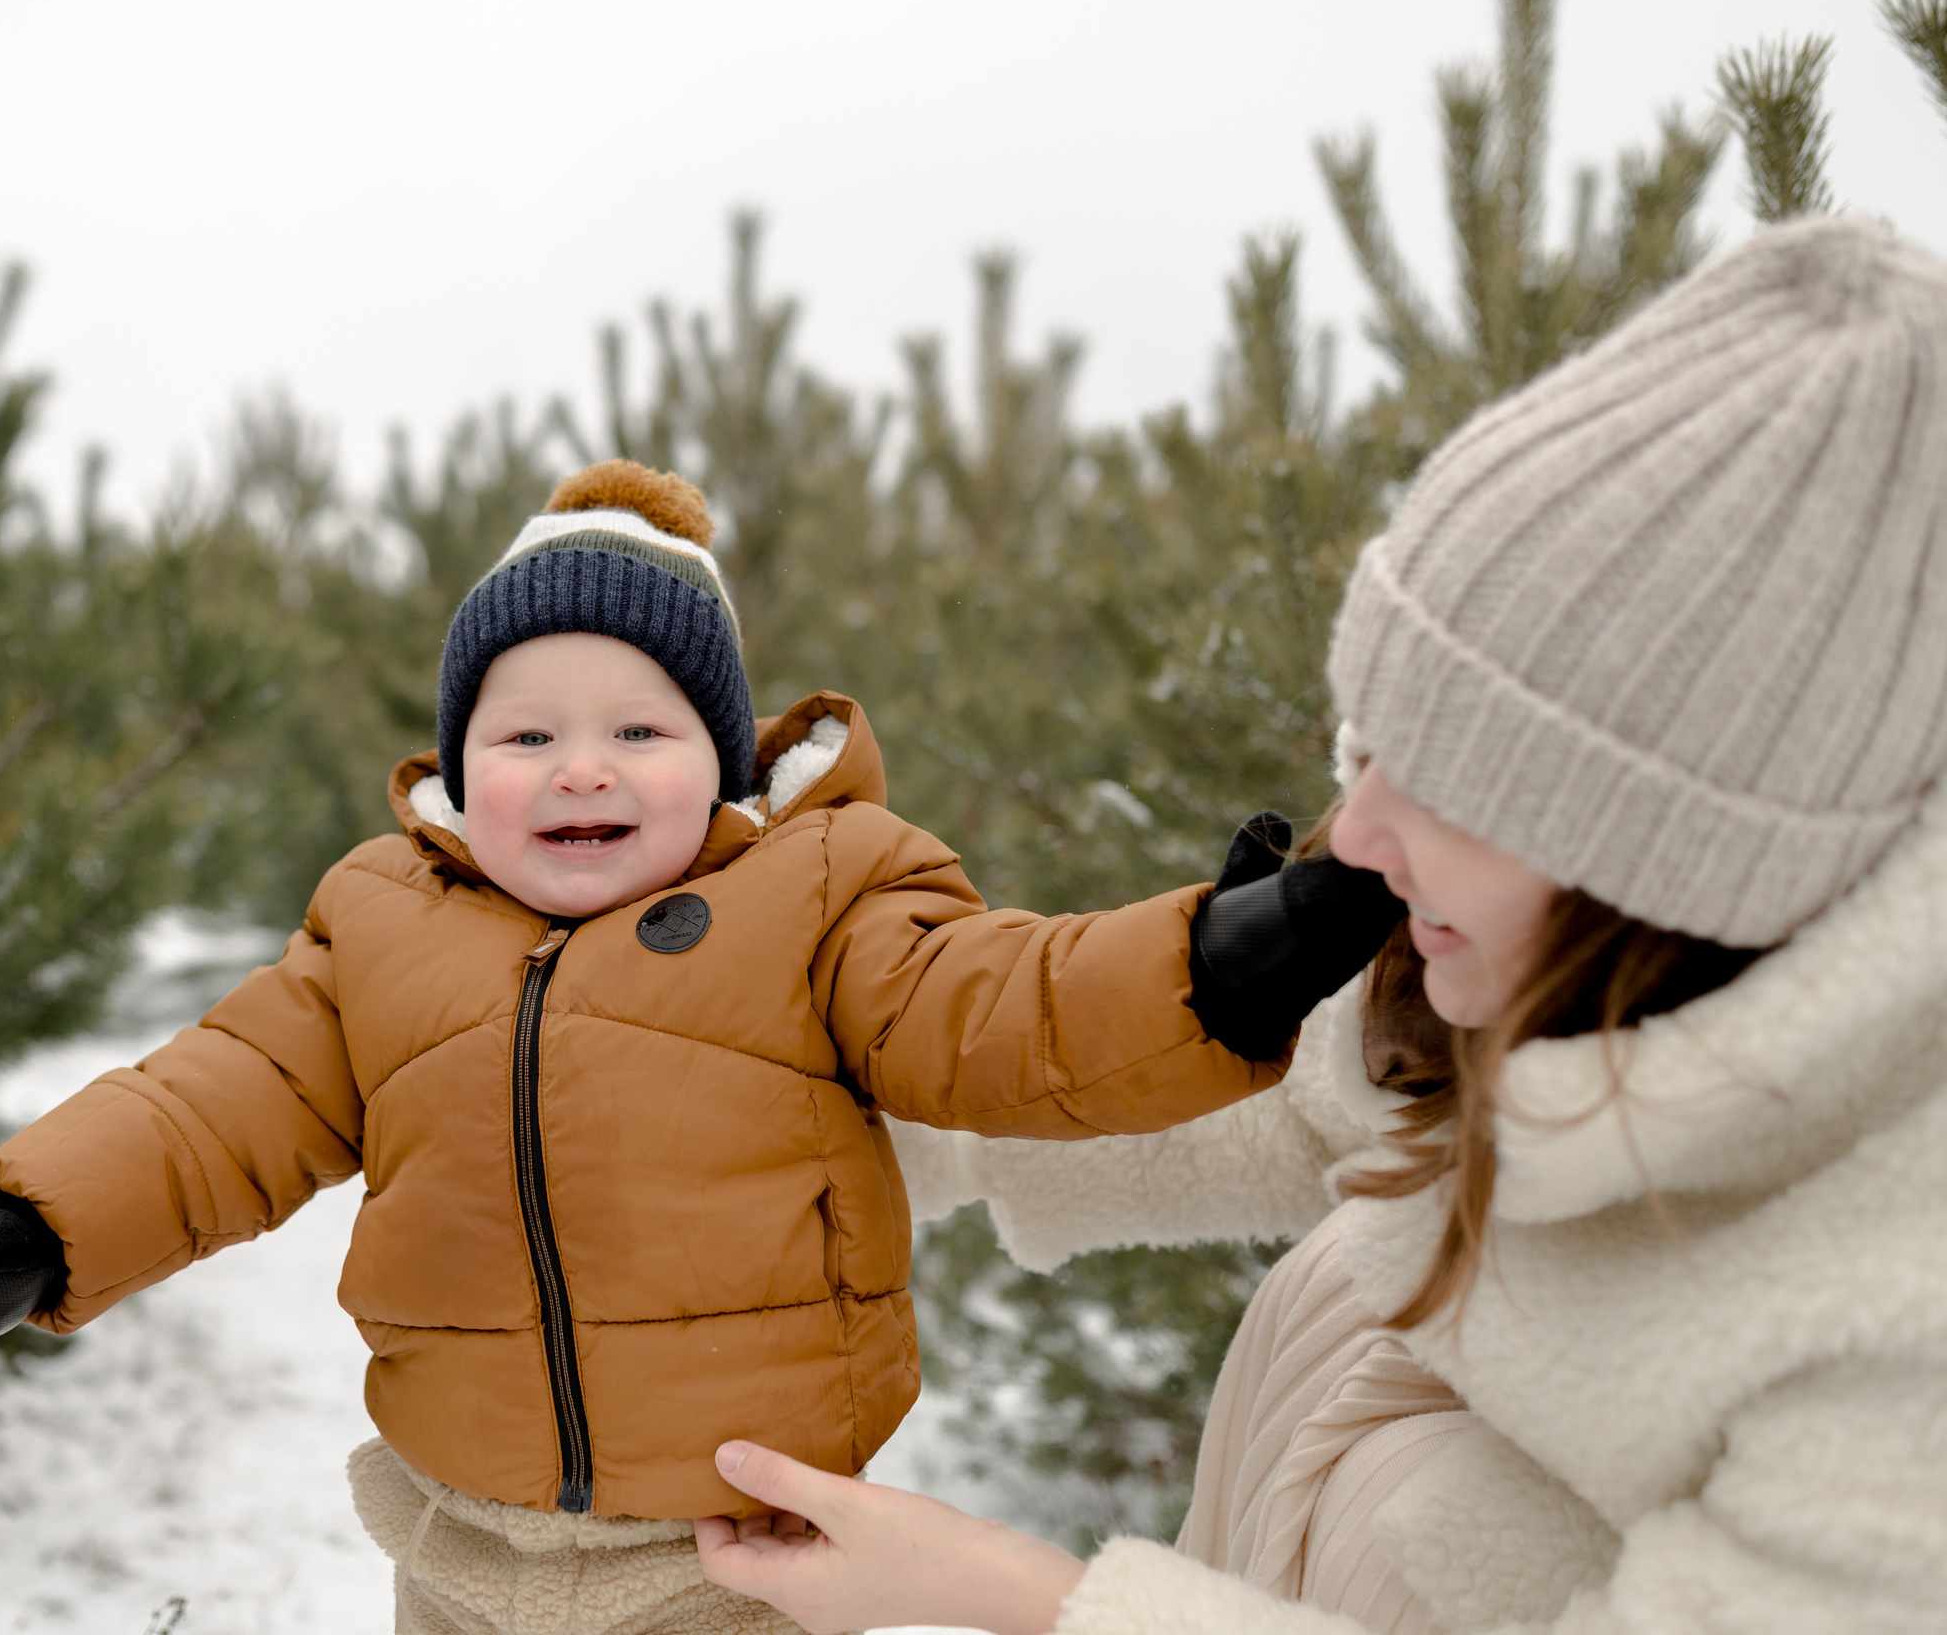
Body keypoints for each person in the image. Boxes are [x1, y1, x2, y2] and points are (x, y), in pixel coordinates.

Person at [0, 457, 1400, 1635]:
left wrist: (1210, 971)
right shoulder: (380, 917)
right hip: (456, 1535)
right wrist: (32, 1229)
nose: (582, 768)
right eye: (524, 734)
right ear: (456, 766)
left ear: (719, 758)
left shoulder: (826, 890)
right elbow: (218, 1101)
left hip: (730, 1548)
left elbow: (1000, 1011)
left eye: (638, 730)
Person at [693, 215, 1947, 1634]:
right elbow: (1278, 1106)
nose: (1355, 830)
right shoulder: (1549, 990)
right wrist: (805, 1125)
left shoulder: (1901, 1335)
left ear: (1667, 856)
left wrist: (1016, 1596)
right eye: (1371, 739)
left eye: (1455, 784)